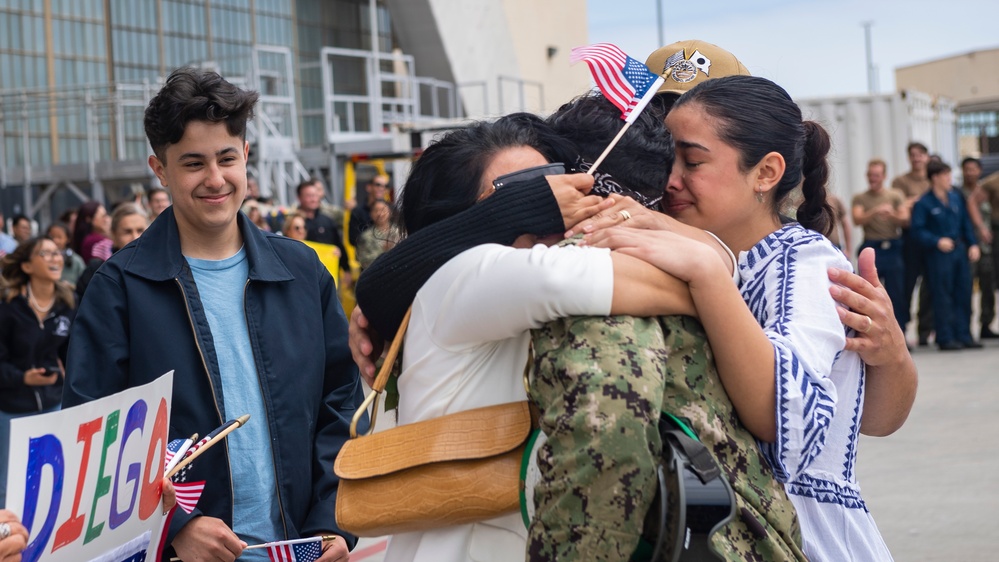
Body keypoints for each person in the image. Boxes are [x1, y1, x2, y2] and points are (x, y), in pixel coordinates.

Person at [62, 67, 363, 562]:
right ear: (159, 170)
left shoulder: (301, 269)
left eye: (227, 158)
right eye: (193, 163)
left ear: (246, 155)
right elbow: (94, 435)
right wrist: (172, 522)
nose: (215, 179)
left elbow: (342, 405)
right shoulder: (118, 287)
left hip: (301, 547)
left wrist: (333, 522)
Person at [587, 75, 893, 561]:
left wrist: (708, 275)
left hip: (800, 539)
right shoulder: (710, 250)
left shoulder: (807, 264)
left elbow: (785, 412)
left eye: (692, 161)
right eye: (668, 159)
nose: (671, 179)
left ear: (766, 172)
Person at [0, 237, 75, 508]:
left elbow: (73, 354)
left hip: (54, 404)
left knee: (53, 479)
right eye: (46, 253)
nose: (55, 259)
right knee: (9, 483)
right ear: (27, 266)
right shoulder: (7, 307)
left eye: (57, 253)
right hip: (11, 408)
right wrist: (22, 378)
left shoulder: (68, 303)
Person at [911, 160, 981, 350]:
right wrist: (936, 241)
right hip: (939, 255)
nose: (949, 179)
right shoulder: (924, 203)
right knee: (943, 295)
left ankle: (964, 334)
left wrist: (973, 244)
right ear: (935, 178)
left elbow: (966, 223)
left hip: (959, 251)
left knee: (964, 292)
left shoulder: (956, 198)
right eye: (946, 175)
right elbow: (917, 230)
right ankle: (946, 336)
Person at [851, 159, 909, 329]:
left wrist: (891, 215)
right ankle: (870, 328)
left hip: (892, 246)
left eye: (876, 175)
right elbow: (857, 219)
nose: (873, 179)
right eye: (870, 175)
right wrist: (875, 211)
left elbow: (905, 219)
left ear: (884, 176)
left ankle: (900, 330)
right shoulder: (860, 198)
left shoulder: (895, 195)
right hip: (871, 246)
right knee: (869, 292)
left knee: (896, 292)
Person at [892, 141, 933, 344]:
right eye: (913, 155)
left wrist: (914, 202)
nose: (917, 158)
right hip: (909, 239)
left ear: (927, 157)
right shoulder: (901, 181)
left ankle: (925, 329)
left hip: (930, 237)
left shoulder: (933, 179)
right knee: (906, 286)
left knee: (930, 287)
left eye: (920, 155)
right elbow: (898, 206)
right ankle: (902, 329)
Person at [74, 203, 149, 302]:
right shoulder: (97, 271)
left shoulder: (163, 265)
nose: (135, 237)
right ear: (114, 234)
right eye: (127, 232)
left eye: (140, 230)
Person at [961, 157, 997, 338]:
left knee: (988, 285)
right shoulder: (957, 192)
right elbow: (970, 206)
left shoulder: (986, 187)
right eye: (966, 169)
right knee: (966, 287)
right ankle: (964, 329)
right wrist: (981, 228)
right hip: (967, 245)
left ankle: (986, 324)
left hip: (987, 246)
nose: (970, 173)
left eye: (973, 169)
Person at [297, 179, 352, 288]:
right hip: (303, 277)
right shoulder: (294, 221)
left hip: (329, 276)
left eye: (315, 195)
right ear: (299, 198)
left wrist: (346, 269)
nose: (313, 199)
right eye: (308, 196)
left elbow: (338, 244)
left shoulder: (328, 220)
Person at [355, 199, 399, 271]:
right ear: (371, 214)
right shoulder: (366, 237)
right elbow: (364, 262)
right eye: (376, 211)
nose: (380, 214)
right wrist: (384, 251)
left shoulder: (399, 232)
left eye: (383, 210)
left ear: (390, 212)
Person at [348, 174, 390, 247]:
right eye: (378, 185)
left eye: (385, 186)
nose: (381, 188)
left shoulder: (392, 210)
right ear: (369, 187)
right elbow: (353, 239)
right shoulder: (357, 212)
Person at [45, 222, 87, 287]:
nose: (55, 240)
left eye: (59, 237)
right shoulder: (42, 258)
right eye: (51, 237)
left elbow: (84, 282)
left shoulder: (76, 260)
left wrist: (72, 286)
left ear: (68, 239)